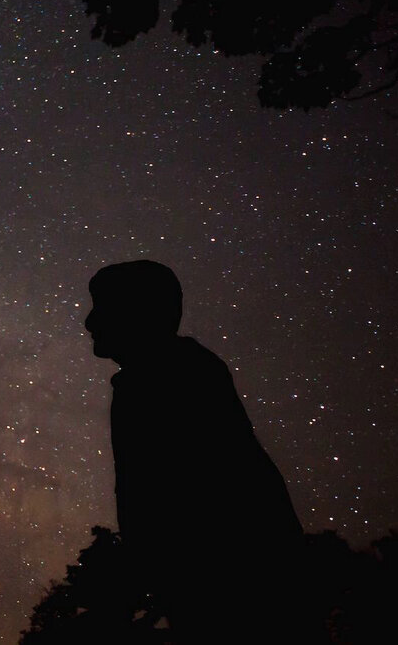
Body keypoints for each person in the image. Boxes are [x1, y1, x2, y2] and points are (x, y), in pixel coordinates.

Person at [85, 260, 310, 643]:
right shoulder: (167, 373)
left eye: (101, 308)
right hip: (228, 574)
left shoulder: (165, 377)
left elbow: (175, 495)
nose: (89, 323)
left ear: (138, 314)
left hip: (234, 578)